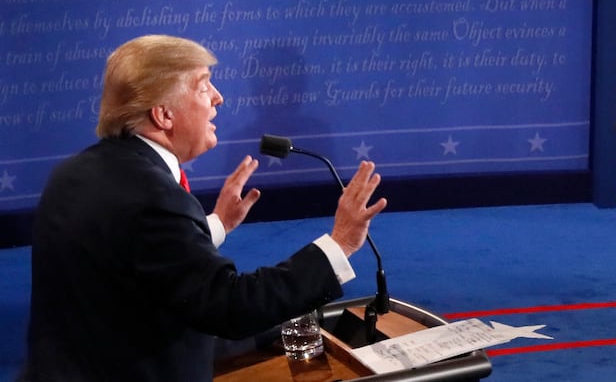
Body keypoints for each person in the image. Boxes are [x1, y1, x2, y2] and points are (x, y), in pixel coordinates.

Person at [24, 34, 388, 381]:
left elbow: (137, 260)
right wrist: (339, 244)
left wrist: (215, 224)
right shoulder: (151, 196)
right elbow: (230, 307)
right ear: (163, 115)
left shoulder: (75, 171)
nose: (218, 98)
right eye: (202, 86)